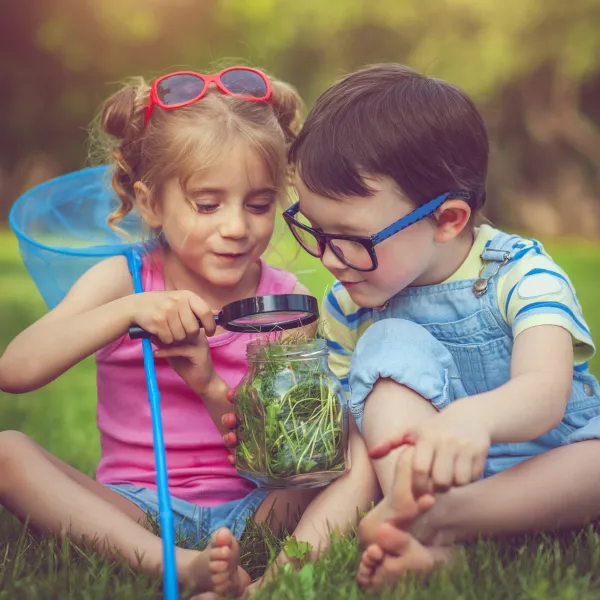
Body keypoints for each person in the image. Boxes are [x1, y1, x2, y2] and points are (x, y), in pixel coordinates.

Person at [226, 62, 600, 590]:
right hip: (416, 479)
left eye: (353, 237)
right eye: (316, 229)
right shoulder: (348, 304)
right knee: (386, 345)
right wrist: (279, 577)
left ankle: (445, 522)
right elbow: (356, 457)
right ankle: (429, 524)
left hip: (548, 460)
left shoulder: (520, 273)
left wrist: (475, 419)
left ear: (447, 220)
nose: (331, 259)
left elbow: (546, 394)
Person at [0, 65, 323, 597]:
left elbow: (291, 455)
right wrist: (128, 311)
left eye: (259, 205)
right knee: (8, 452)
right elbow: (15, 369)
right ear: (151, 203)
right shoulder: (122, 278)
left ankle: (219, 561)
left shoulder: (285, 301)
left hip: (257, 506)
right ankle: (171, 563)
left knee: (343, 457)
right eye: (208, 204)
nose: (237, 226)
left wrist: (208, 386)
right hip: (135, 506)